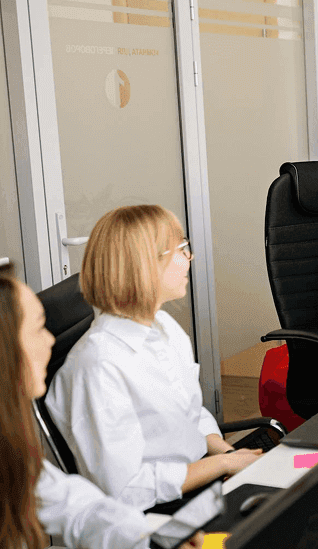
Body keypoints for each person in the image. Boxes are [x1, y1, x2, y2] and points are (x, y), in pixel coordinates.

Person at [46, 205, 262, 511]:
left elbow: (191, 415)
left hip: (203, 480)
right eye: (182, 248)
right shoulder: (97, 366)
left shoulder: (163, 328)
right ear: (144, 266)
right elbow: (126, 491)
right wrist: (223, 467)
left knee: (310, 476)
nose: (190, 257)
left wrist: (232, 456)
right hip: (160, 512)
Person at [0, 263, 203, 548]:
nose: (50, 340)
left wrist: (147, 538)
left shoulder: (10, 450)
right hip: (175, 493)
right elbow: (123, 489)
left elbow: (78, 508)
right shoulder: (97, 363)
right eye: (37, 330)